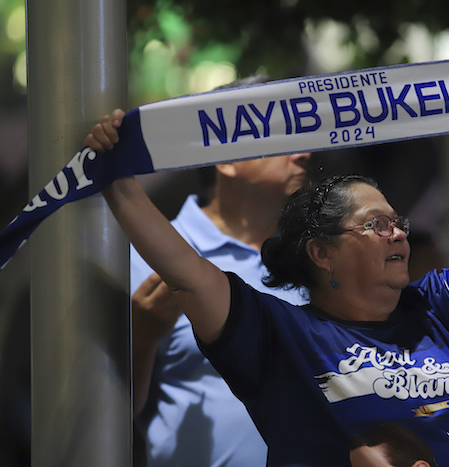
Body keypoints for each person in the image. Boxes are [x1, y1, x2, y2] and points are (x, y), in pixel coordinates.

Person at [86, 41, 449, 466]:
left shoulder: (446, 309)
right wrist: (118, 180)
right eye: (376, 225)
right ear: (322, 253)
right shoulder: (283, 338)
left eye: (399, 223)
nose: (399, 235)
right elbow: (189, 273)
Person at [129, 76, 312, 467]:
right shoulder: (145, 257)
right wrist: (140, 339)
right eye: (286, 134)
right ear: (226, 159)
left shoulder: (315, 258)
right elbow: (103, 412)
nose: (305, 152)